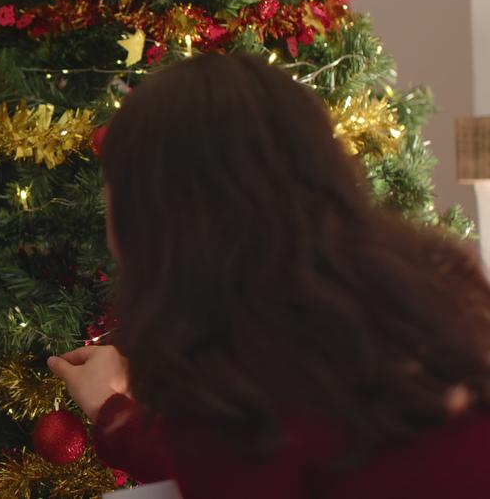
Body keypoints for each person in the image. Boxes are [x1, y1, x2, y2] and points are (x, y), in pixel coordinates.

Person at [48, 53, 490, 498]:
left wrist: (116, 411)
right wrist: (114, 411)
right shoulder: (429, 280)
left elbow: (237, 459)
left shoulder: (249, 363)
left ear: (155, 214)